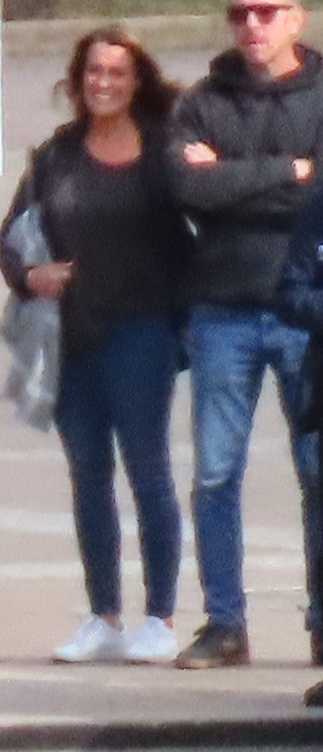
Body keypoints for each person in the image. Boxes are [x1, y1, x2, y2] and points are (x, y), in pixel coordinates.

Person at [11, 26, 197, 664]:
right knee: (88, 473)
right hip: (73, 334)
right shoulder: (56, 155)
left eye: (117, 72)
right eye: (94, 71)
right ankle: (104, 616)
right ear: (78, 79)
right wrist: (29, 275)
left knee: (148, 470)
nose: (104, 83)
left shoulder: (164, 151)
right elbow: (12, 235)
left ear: (137, 80)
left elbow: (195, 233)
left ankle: (161, 617)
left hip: (144, 329)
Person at [170, 0, 323, 675]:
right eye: (239, 13)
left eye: (266, 11)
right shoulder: (202, 101)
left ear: (296, 19)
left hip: (307, 315)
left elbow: (317, 198)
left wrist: (228, 175)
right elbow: (187, 190)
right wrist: (290, 172)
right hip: (221, 309)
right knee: (215, 472)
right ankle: (224, 623)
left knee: (317, 473)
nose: (251, 26)